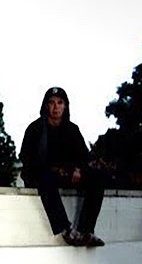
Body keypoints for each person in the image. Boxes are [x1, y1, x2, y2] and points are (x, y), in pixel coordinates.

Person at [19, 87, 106, 247]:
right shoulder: (35, 128)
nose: (56, 107)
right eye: (52, 103)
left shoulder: (72, 129)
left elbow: (84, 156)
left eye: (60, 103)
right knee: (44, 177)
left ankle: (86, 231)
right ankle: (65, 229)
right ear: (46, 105)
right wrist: (53, 169)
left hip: (68, 174)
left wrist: (78, 169)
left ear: (65, 106)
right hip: (44, 175)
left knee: (98, 177)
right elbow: (26, 157)